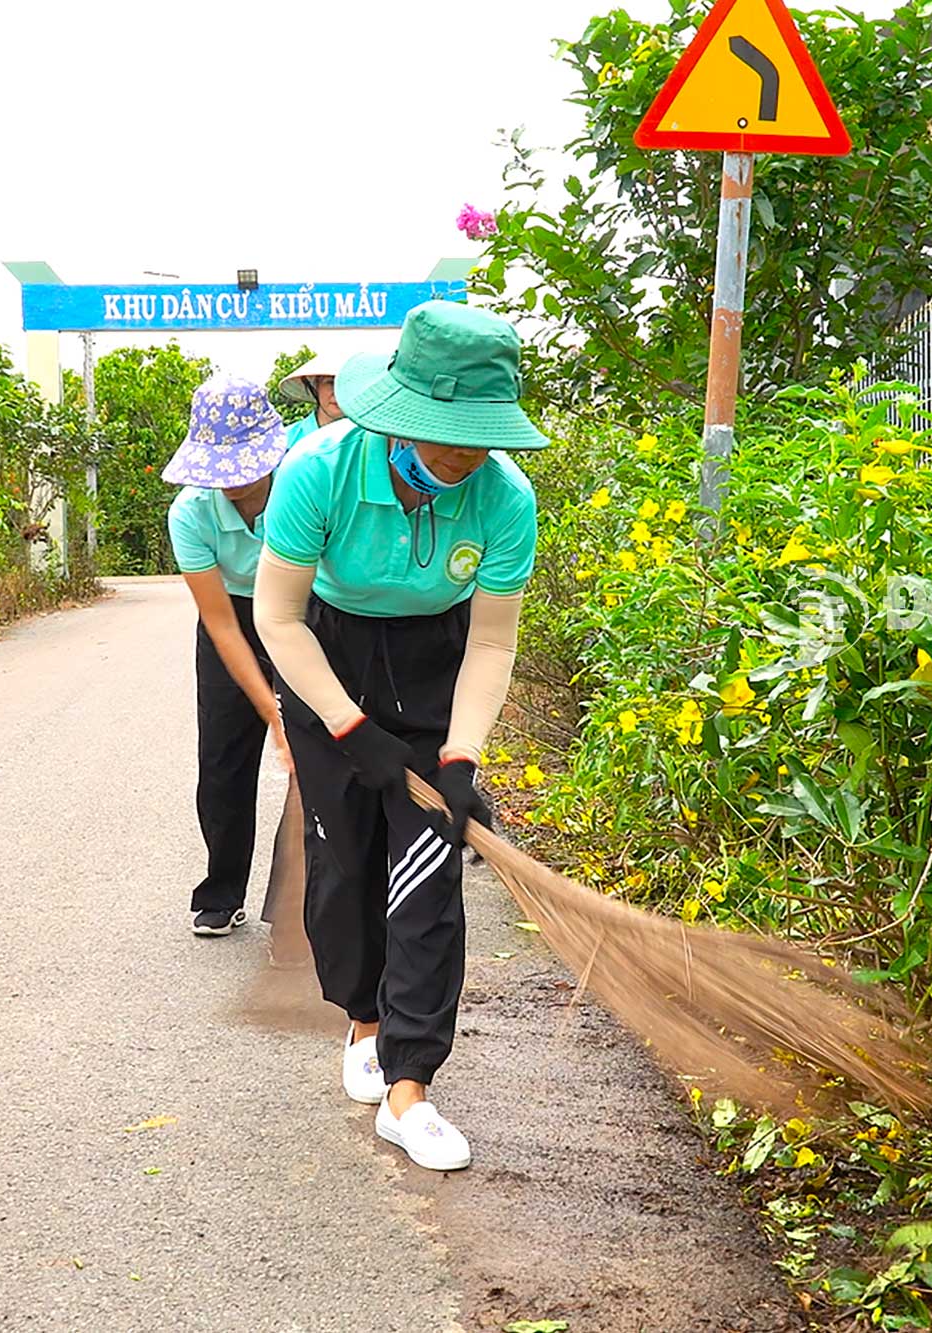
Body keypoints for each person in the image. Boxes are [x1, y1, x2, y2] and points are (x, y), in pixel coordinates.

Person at [252, 301, 545, 1172]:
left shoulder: (504, 500)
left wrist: (458, 754)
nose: (464, 455)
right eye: (446, 434)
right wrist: (347, 726)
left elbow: (491, 640)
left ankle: (410, 1085)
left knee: (427, 870)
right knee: (345, 863)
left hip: (432, 665)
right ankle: (365, 1019)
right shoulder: (318, 472)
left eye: (479, 437)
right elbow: (277, 614)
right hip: (323, 655)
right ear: (399, 417)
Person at [164, 373, 295, 937]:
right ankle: (221, 890)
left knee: (322, 754)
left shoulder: (302, 489)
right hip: (233, 617)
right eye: (222, 471)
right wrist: (272, 714)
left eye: (245, 468)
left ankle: (306, 898)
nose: (234, 483)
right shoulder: (190, 514)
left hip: (305, 610)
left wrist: (295, 714)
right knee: (222, 763)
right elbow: (221, 624)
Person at [274, 352, 346, 445]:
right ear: (316, 386)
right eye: (331, 383)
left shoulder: (366, 439)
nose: (337, 393)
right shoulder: (285, 440)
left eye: (346, 384)